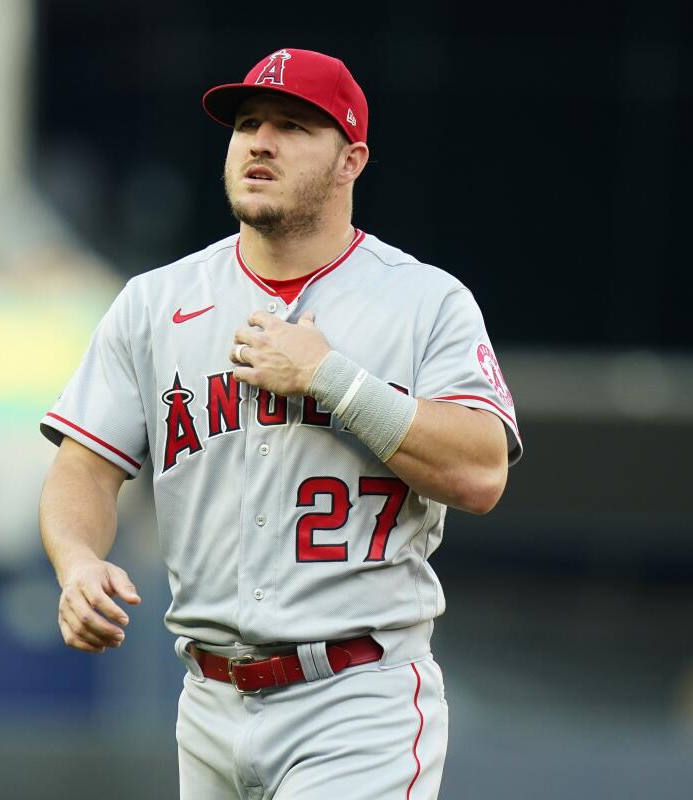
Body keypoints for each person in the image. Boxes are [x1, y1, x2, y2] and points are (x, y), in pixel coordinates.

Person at [39, 48, 522, 800]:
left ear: (350, 160)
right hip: (206, 699)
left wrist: (331, 376)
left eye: (293, 126)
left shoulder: (425, 302)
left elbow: (482, 471)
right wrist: (76, 561)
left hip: (357, 698)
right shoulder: (156, 302)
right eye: (248, 123)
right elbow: (84, 469)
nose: (259, 141)